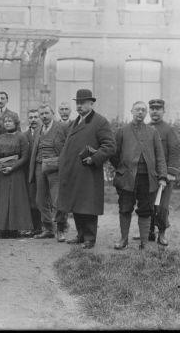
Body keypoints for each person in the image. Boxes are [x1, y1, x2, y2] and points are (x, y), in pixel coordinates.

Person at [58, 89, 116, 249]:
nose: (79, 106)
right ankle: (81, 235)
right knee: (76, 204)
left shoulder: (100, 121)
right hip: (74, 171)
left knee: (88, 205)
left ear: (91, 103)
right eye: (77, 103)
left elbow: (110, 146)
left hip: (89, 171)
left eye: (82, 103)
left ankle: (90, 238)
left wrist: (94, 158)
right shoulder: (75, 121)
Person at [110, 101, 167, 250]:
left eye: (143, 110)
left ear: (146, 113)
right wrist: (123, 169)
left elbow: (160, 156)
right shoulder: (122, 131)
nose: (140, 112)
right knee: (125, 207)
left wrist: (162, 176)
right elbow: (114, 154)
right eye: (137, 109)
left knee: (146, 209)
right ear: (132, 111)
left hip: (147, 178)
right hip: (127, 178)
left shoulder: (153, 132)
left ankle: (144, 242)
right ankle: (123, 240)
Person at [28, 104, 68, 241]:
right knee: (40, 200)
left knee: (57, 200)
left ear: (52, 114)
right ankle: (48, 229)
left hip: (55, 168)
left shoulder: (61, 127)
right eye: (42, 114)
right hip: (39, 167)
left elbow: (67, 148)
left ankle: (61, 229)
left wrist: (62, 163)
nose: (44, 116)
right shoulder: (38, 129)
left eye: (46, 113)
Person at [144, 99, 180, 245]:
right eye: (152, 108)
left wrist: (170, 173)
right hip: (149, 175)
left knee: (162, 207)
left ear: (163, 111)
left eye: (158, 109)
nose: (154, 111)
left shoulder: (168, 130)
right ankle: (150, 231)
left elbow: (175, 152)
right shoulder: (145, 128)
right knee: (149, 205)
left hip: (165, 176)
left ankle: (162, 233)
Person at [0, 114, 32, 237]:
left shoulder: (21, 137)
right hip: (1, 172)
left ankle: (15, 228)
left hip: (15, 173)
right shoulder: (1, 137)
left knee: (14, 199)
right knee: (2, 199)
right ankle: (2, 227)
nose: (7, 123)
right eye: (5, 121)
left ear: (15, 122)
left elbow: (25, 156)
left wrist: (12, 168)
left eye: (10, 121)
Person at [24, 108, 43, 236]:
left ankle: (45, 227)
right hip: (27, 172)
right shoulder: (24, 135)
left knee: (42, 200)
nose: (33, 120)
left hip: (41, 170)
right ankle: (34, 227)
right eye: (31, 117)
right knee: (31, 200)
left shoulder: (43, 132)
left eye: (36, 117)